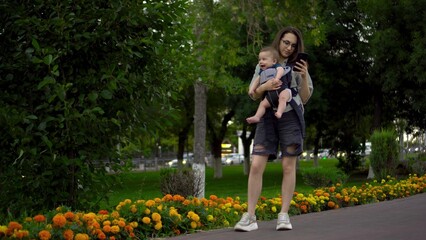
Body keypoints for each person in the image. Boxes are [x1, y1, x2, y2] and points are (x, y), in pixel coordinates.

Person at [234, 26, 313, 232]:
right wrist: (264, 88)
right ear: (279, 41)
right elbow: (253, 93)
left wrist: (304, 76)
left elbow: (304, 98)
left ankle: (284, 215)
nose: (288, 47)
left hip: (290, 117)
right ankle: (250, 217)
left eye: (293, 45)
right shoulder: (265, 61)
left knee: (288, 166)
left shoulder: (298, 66)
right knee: (256, 164)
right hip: (268, 117)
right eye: (286, 42)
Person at [246, 46, 292, 124]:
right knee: (262, 104)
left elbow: (280, 70)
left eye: (264, 59)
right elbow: (256, 81)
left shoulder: (276, 66)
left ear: (274, 61)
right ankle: (257, 117)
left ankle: (279, 112)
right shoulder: (261, 72)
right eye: (259, 59)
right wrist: (251, 90)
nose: (261, 62)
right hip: (271, 96)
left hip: (283, 90)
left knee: (283, 98)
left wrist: (277, 78)